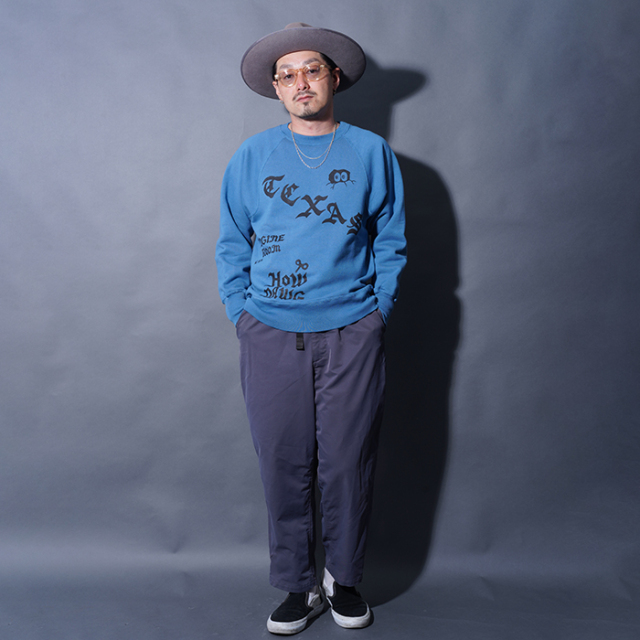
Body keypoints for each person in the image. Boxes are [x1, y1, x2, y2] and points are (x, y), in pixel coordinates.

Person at [216, 23, 406, 635]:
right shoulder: (251, 157)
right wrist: (242, 314)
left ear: (334, 78)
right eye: (287, 74)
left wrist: (377, 311)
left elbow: (391, 239)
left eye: (312, 70)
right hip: (270, 332)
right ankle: (297, 585)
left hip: (352, 331)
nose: (300, 82)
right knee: (283, 462)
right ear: (276, 88)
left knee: (348, 462)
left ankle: (343, 579)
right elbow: (231, 243)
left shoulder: (371, 152)